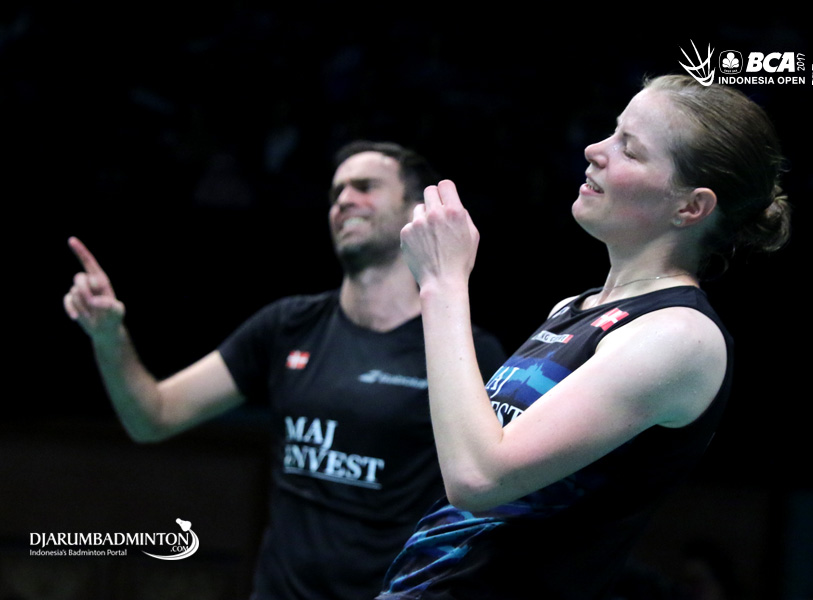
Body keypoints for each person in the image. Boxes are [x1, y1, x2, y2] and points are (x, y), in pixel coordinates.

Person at [377, 74, 792, 599]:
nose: (595, 150)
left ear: (690, 207)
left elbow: (478, 478)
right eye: (612, 132)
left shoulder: (681, 337)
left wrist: (441, 284)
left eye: (630, 149)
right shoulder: (574, 309)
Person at [63, 140, 507, 600]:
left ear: (415, 212)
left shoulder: (464, 348)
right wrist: (108, 337)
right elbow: (153, 416)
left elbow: (493, 494)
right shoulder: (286, 327)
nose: (344, 200)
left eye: (365, 187)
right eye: (336, 192)